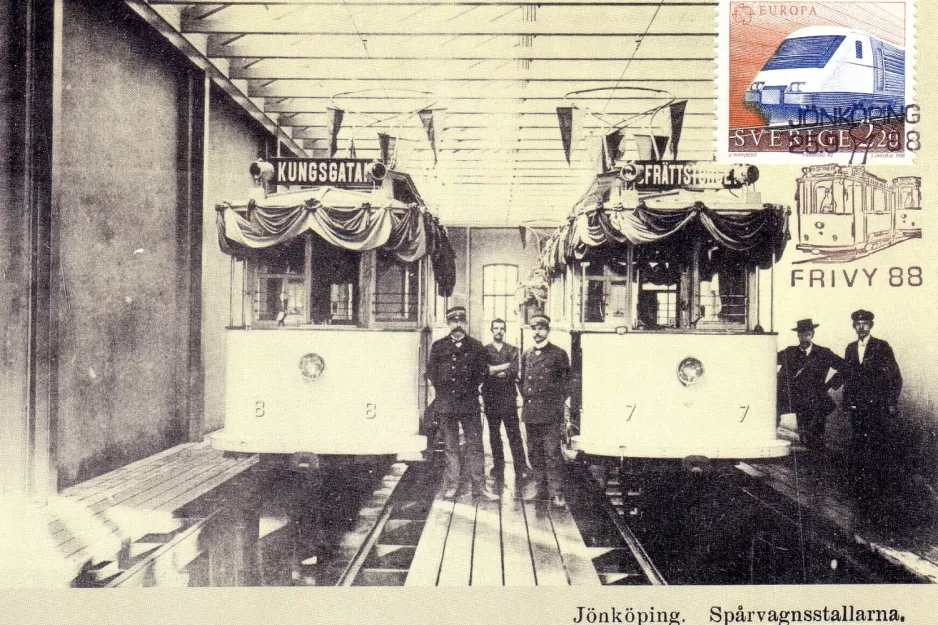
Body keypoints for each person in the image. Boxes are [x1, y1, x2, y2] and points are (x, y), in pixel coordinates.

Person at [426, 306, 499, 501]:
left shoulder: (476, 346)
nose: (457, 325)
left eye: (461, 321)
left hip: (469, 404)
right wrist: (444, 390)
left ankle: (480, 488)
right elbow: (431, 373)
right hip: (447, 405)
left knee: (475, 446)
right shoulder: (439, 346)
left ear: (465, 323)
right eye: (453, 321)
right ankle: (452, 486)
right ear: (449, 324)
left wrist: (467, 388)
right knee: (451, 447)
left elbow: (482, 373)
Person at [840, 309, 903, 514]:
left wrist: (891, 402)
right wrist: (847, 401)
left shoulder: (882, 347)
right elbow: (848, 377)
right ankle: (859, 490)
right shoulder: (850, 348)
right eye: (858, 324)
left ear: (871, 325)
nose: (861, 327)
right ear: (853, 326)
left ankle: (879, 491)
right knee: (858, 445)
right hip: (858, 407)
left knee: (877, 446)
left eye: (865, 323)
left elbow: (895, 377)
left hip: (877, 407)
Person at [519, 315, 570, 507]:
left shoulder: (559, 354)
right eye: (534, 328)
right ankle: (540, 489)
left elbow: (567, 384)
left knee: (552, 453)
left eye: (541, 328)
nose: (537, 332)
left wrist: (555, 404)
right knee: (534, 452)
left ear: (548, 330)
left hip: (550, 414)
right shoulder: (527, 355)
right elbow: (522, 382)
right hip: (531, 413)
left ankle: (557, 492)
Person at [777, 318, 845, 450]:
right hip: (795, 399)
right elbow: (768, 358)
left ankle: (817, 459)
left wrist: (829, 386)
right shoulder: (789, 352)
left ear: (812, 334)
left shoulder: (824, 353)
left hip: (815, 401)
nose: (804, 338)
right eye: (801, 334)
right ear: (797, 335)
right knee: (803, 438)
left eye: (807, 334)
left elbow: (845, 368)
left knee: (815, 438)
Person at [481, 318, 528, 485]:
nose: (499, 331)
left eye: (502, 328)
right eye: (496, 328)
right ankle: (498, 467)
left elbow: (514, 371)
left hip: (508, 397)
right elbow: (483, 372)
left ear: (505, 330)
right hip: (491, 397)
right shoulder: (484, 350)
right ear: (491, 330)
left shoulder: (513, 350)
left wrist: (494, 370)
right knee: (494, 434)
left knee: (514, 434)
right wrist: (503, 367)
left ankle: (520, 468)